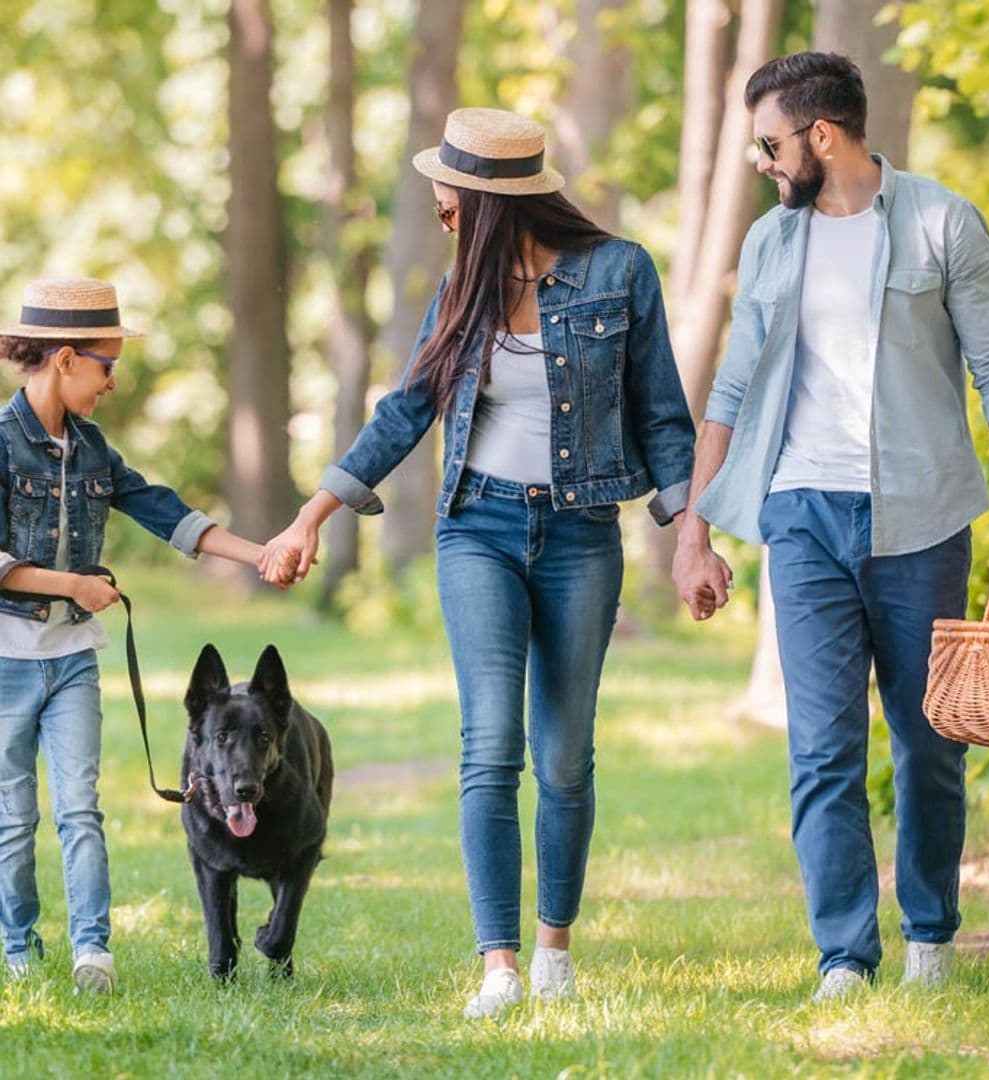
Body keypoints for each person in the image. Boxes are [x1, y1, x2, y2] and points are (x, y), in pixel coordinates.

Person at [260, 107, 695, 1018]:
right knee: (490, 746)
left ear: (491, 201)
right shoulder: (463, 286)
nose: (441, 211)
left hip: (581, 535)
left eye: (449, 198)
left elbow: (662, 417)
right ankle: (498, 965)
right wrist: (312, 515)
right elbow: (405, 409)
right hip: (479, 530)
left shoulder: (620, 273)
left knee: (565, 757)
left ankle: (553, 953)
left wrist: (690, 534)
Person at [672, 53, 989, 1002]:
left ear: (823, 135)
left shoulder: (940, 221)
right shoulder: (773, 243)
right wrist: (696, 528)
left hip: (922, 516)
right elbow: (730, 390)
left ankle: (930, 932)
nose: (762, 163)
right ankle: (845, 956)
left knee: (928, 740)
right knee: (821, 749)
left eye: (770, 143)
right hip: (801, 515)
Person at [0, 278, 269, 993]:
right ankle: (19, 948)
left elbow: (165, 512)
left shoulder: (92, 448)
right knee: (15, 818)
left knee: (81, 809)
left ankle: (94, 952)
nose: (113, 382)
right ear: (64, 359)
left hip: (73, 662)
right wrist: (74, 587)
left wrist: (261, 555)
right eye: (106, 366)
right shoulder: (1, 446)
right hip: (8, 662)